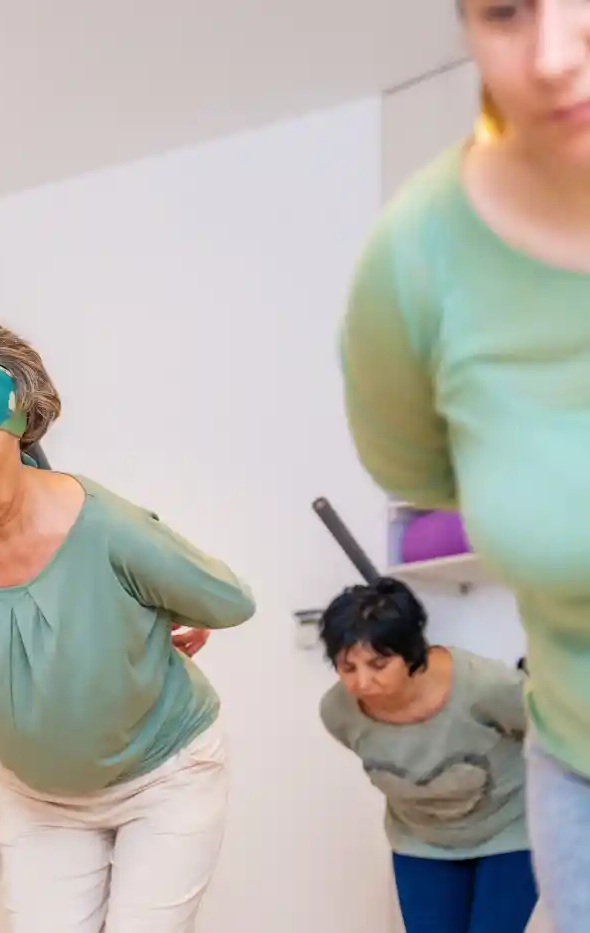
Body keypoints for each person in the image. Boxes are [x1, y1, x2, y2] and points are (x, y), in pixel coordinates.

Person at [0, 311, 257, 933]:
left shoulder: (109, 528)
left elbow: (230, 601)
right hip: (39, 798)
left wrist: (154, 605)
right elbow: (13, 651)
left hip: (163, 777)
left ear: (16, 428)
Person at [337, 3, 590, 926]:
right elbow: (432, 474)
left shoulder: (476, 688)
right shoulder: (421, 256)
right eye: (507, 10)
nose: (555, 55)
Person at [317, 577, 536, 933]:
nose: (362, 683)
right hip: (421, 842)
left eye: (378, 664)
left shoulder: (486, 687)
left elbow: (551, 736)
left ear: (411, 653)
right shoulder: (338, 712)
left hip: (509, 832)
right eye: (347, 667)